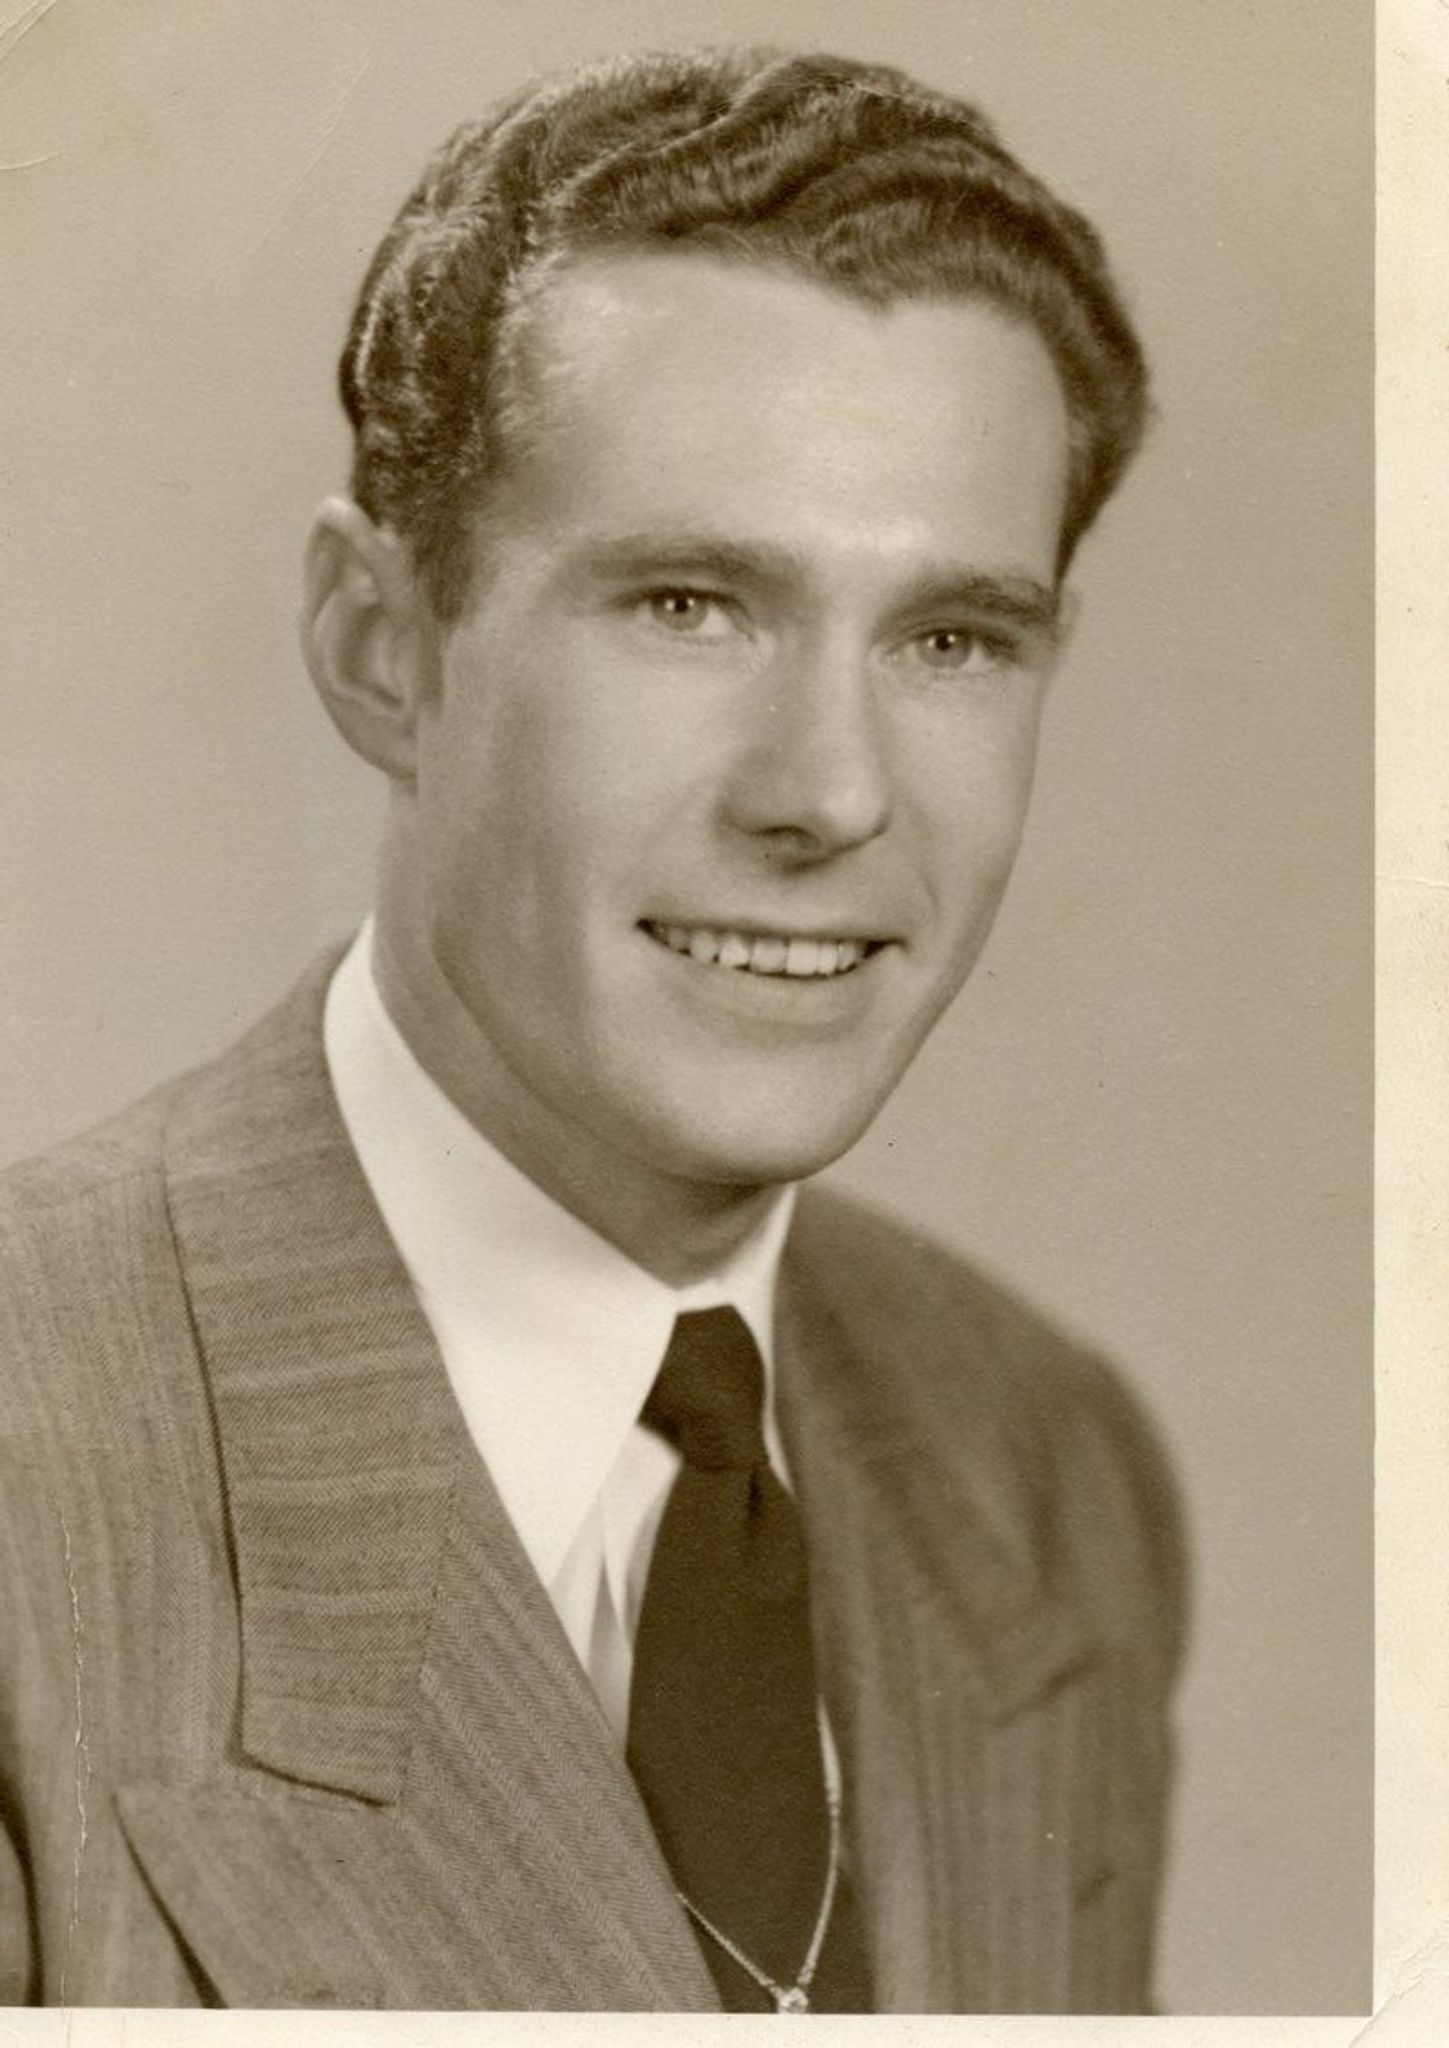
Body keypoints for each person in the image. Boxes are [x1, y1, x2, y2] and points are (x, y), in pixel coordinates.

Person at [0, 46, 1185, 2013]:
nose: (828, 794)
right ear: (379, 647)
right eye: (688, 605)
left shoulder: (1041, 1461)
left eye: (950, 639)